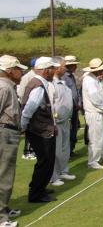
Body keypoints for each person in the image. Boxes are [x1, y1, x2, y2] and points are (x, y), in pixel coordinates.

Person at [21, 57, 60, 203]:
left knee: (46, 161)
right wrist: (23, 125)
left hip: (41, 128)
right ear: (45, 70)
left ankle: (40, 187)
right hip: (40, 130)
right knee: (45, 161)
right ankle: (36, 193)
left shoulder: (40, 83)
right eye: (52, 69)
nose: (54, 71)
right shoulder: (38, 85)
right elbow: (29, 108)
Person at [0, 55, 27, 227]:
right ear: (9, 71)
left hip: (8, 132)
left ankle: (4, 207)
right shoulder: (3, 88)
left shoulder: (8, 86)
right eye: (18, 69)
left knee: (6, 172)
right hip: (4, 132)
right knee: (3, 174)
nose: (21, 72)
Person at [49, 57, 76, 187]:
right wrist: (54, 120)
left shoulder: (63, 83)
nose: (65, 68)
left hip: (66, 120)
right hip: (56, 122)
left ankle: (63, 170)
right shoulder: (51, 84)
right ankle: (54, 176)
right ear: (56, 67)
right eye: (63, 66)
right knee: (56, 150)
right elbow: (52, 104)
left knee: (65, 148)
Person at [17, 58, 37, 161]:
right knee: (29, 129)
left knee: (34, 129)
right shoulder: (27, 77)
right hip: (27, 105)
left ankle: (33, 150)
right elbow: (21, 93)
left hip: (35, 107)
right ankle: (27, 151)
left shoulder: (36, 76)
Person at [62, 55, 81, 157]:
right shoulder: (64, 77)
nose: (76, 67)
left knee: (74, 129)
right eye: (74, 65)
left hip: (75, 108)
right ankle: (67, 151)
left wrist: (79, 102)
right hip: (69, 108)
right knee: (69, 130)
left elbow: (76, 91)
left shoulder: (71, 76)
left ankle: (71, 150)